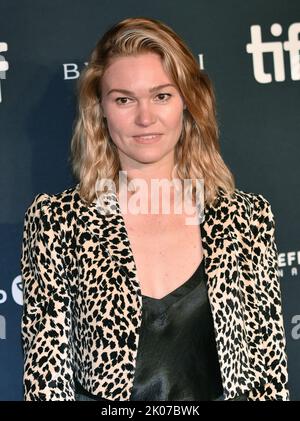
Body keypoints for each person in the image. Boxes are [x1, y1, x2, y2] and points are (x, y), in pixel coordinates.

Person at [20, 17, 289, 401]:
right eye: (124, 99)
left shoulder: (246, 219)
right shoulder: (56, 222)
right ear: (101, 110)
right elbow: (46, 383)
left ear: (188, 102)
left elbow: (269, 374)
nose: (145, 118)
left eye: (162, 95)